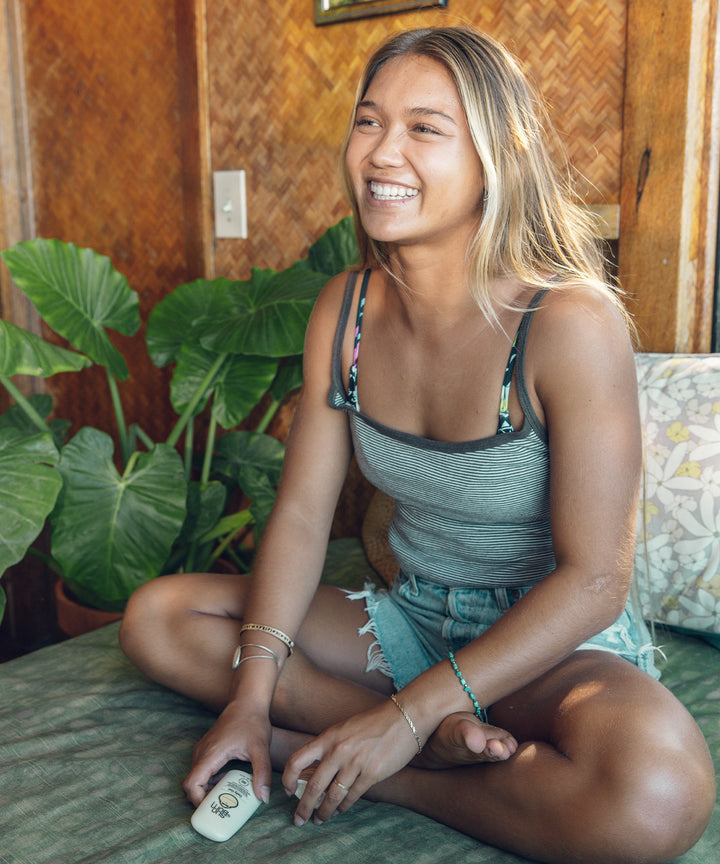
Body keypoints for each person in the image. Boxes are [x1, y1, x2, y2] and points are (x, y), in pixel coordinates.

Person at [119, 26, 715, 864]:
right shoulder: (345, 310)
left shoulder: (569, 324)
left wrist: (401, 722)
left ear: (495, 157)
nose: (381, 152)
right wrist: (252, 698)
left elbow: (595, 582)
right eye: (369, 122)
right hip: (411, 619)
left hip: (541, 642)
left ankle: (385, 761)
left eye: (425, 128)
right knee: (159, 618)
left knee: (659, 794)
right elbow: (298, 515)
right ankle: (417, 737)